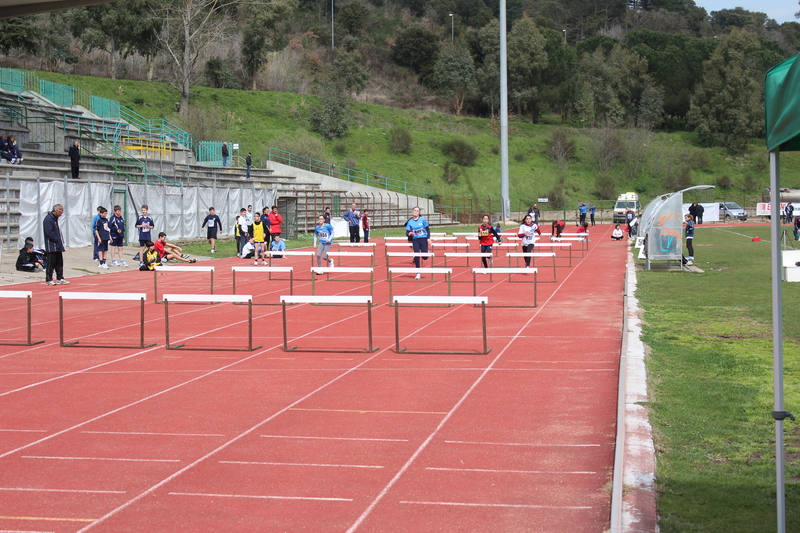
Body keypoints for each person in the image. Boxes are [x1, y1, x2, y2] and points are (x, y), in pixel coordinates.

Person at [43, 203, 69, 286]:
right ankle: (49, 279)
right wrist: (56, 239)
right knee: (51, 263)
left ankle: (60, 278)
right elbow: (48, 232)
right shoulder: (48, 219)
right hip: (51, 246)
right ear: (56, 210)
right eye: (61, 211)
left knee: (59, 262)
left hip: (58, 245)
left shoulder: (55, 219)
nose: (62, 213)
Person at [405, 206, 430, 279]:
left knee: (425, 257)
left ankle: (426, 252)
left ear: (419, 213)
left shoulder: (422, 220)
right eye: (414, 210)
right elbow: (407, 232)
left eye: (417, 211)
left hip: (423, 239)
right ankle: (418, 273)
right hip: (415, 239)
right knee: (416, 256)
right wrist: (408, 234)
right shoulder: (410, 221)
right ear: (412, 212)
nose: (415, 212)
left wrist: (428, 238)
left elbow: (428, 229)